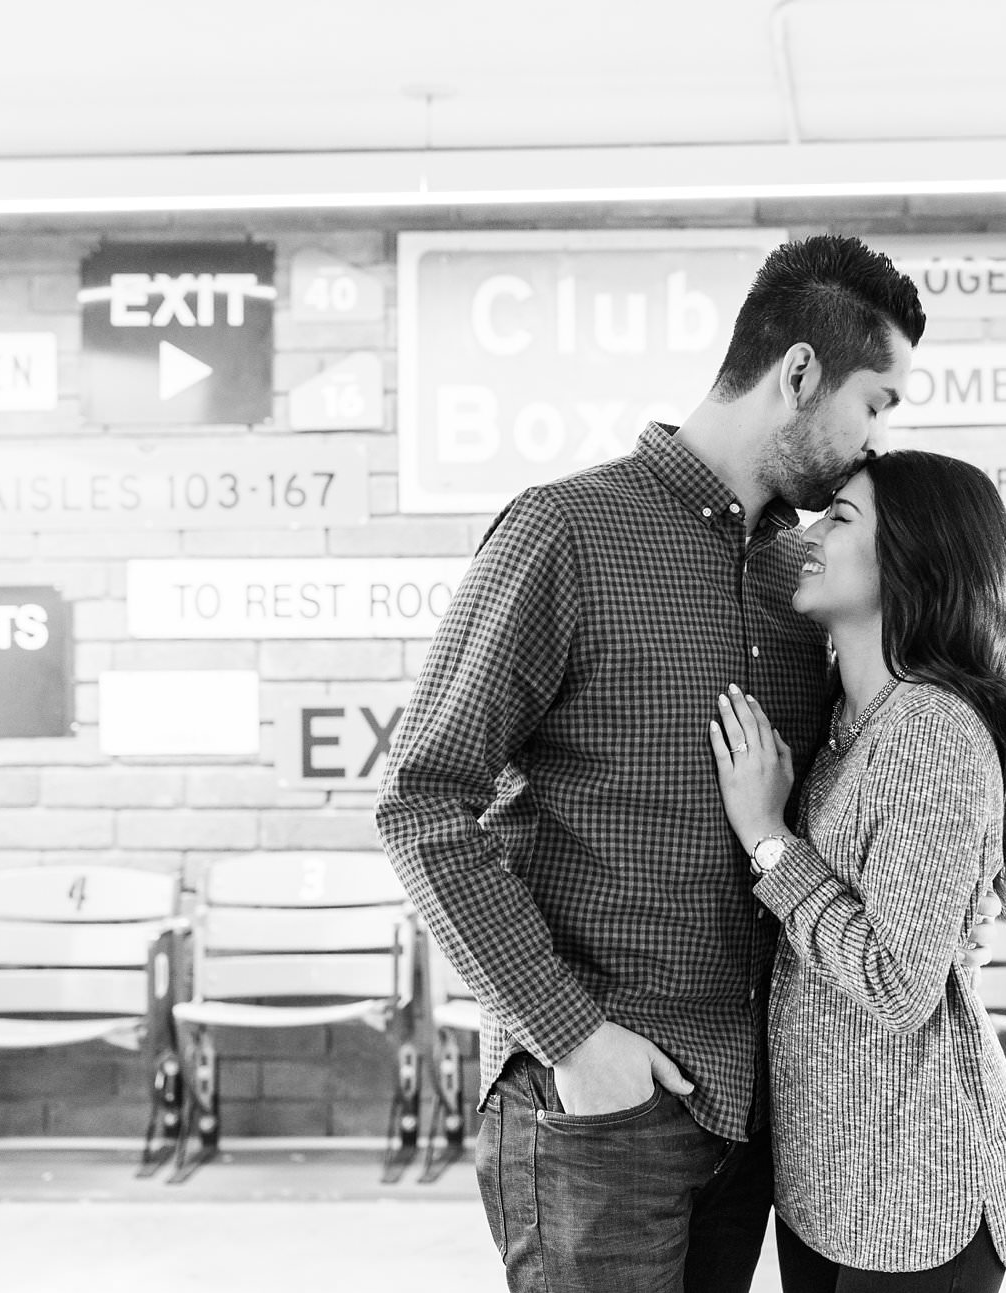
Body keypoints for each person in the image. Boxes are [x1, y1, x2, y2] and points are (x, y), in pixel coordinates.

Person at [379, 234, 930, 1293]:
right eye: (877, 402)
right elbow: (423, 801)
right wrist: (573, 1040)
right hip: (601, 1112)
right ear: (800, 375)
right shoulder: (567, 532)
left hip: (756, 1116)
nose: (875, 441)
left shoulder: (799, 581)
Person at [709, 450, 1006, 1293]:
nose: (811, 534)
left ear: (910, 556)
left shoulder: (931, 730)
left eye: (842, 519)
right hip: (829, 1183)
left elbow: (900, 983)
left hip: (918, 1190)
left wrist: (766, 836)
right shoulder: (847, 721)